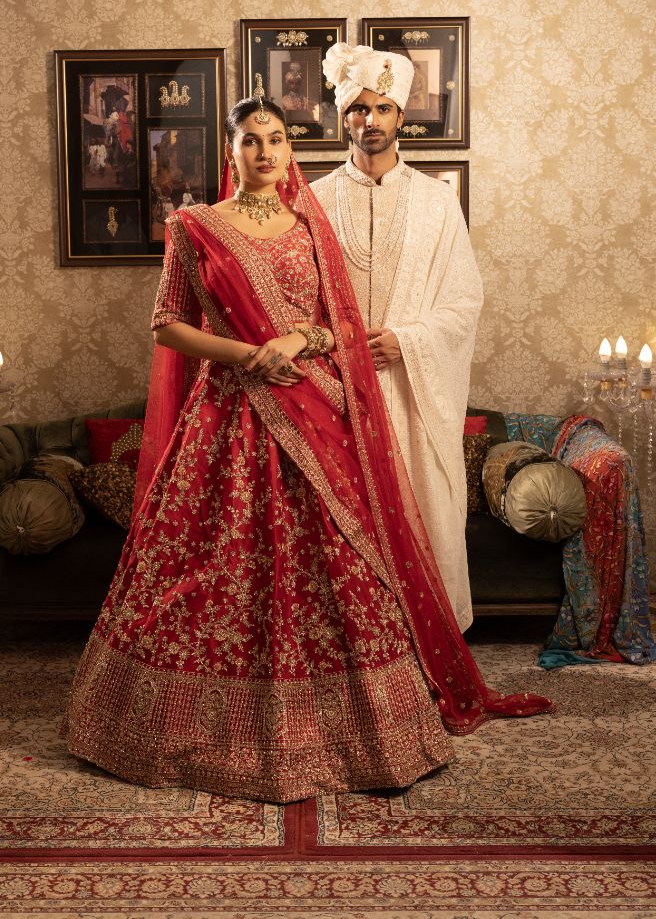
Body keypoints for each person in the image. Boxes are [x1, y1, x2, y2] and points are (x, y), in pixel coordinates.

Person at [63, 92, 551, 803]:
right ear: (229, 152)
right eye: (250, 140)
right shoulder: (195, 226)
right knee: (206, 567)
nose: (264, 152)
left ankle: (362, 731)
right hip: (226, 417)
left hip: (312, 406)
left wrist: (297, 340)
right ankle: (185, 725)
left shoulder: (309, 227)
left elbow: (338, 326)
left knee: (344, 564)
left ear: (291, 150)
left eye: (277, 139)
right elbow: (167, 323)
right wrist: (244, 353)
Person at [312, 44, 482, 632]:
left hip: (411, 395)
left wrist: (406, 340)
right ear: (343, 118)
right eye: (359, 109)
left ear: (401, 117)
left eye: (383, 108)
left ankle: (426, 645)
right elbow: (294, 296)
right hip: (334, 392)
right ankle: (356, 654)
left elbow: (464, 302)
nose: (371, 121)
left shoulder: (438, 201)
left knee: (422, 510)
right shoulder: (313, 200)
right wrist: (338, 349)